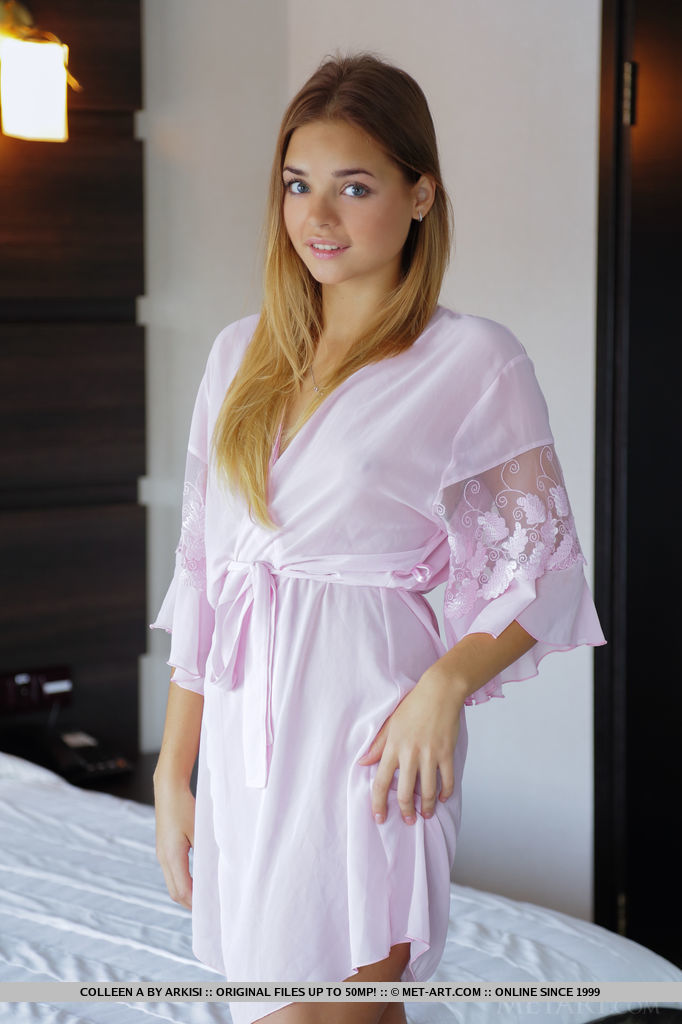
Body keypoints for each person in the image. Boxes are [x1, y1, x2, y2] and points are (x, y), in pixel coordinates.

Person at [151, 52, 606, 1024]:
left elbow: (546, 576)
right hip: (242, 734)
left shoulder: (473, 361)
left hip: (369, 730)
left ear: (419, 195)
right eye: (297, 185)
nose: (317, 216)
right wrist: (171, 769)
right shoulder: (238, 355)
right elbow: (205, 575)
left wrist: (444, 686)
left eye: (353, 187)